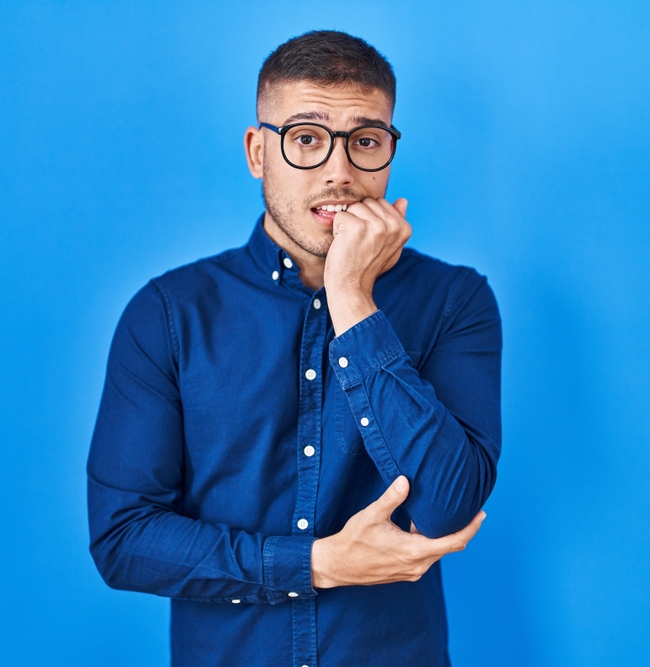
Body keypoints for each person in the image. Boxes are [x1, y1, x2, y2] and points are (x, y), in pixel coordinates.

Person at [87, 30, 502, 667]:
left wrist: (353, 301)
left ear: (388, 152)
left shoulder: (455, 300)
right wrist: (315, 565)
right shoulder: (168, 314)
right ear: (259, 152)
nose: (339, 172)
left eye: (365, 141)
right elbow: (124, 539)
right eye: (306, 139)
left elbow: (448, 507)